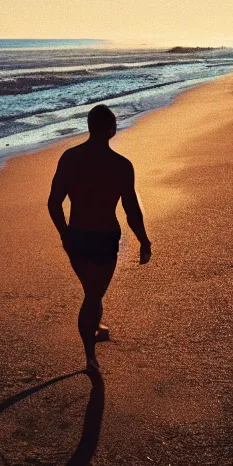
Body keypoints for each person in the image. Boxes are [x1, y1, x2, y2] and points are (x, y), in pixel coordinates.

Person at [48, 104, 151, 373]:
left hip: (77, 237)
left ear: (89, 126)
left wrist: (64, 233)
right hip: (104, 238)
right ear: (111, 129)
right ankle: (90, 356)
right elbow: (131, 210)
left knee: (92, 290)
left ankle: (96, 327)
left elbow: (53, 203)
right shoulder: (121, 165)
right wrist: (144, 241)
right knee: (93, 295)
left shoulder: (69, 158)